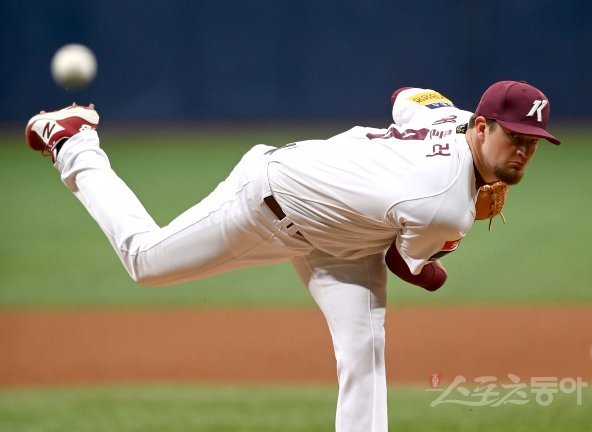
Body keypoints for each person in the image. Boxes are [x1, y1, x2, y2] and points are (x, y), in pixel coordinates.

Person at [25, 80, 560, 432]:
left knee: (365, 353)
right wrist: (443, 256)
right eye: (514, 136)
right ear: (483, 127)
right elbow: (408, 267)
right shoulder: (445, 205)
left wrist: (437, 132)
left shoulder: (455, 119)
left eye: (533, 142)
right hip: (269, 201)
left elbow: (407, 95)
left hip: (346, 236)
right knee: (145, 261)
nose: (523, 151)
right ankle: (74, 141)